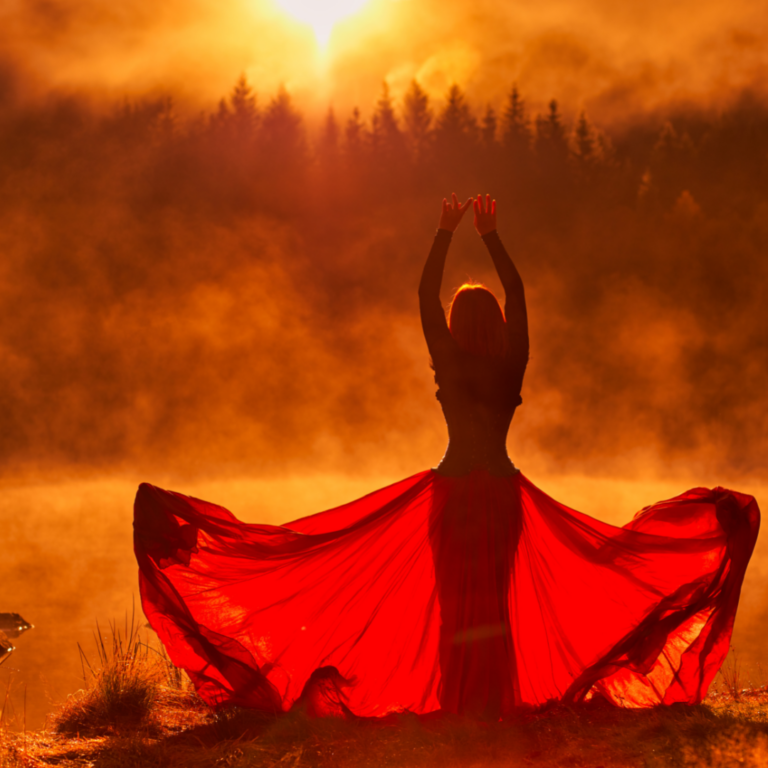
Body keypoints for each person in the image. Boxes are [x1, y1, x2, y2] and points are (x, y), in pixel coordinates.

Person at [134, 195, 759, 720]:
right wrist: (492, 236)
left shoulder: (451, 363)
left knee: (458, 608)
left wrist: (444, 230)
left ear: (459, 325)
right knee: (494, 606)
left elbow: (425, 294)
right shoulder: (511, 363)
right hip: (503, 497)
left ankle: (464, 707)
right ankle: (493, 707)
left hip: (453, 494)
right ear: (499, 326)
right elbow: (515, 291)